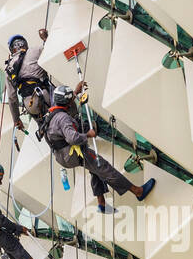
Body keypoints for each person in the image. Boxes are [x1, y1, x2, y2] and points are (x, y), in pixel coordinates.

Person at [40, 85, 156, 214]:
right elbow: (73, 138)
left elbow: (66, 104)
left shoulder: (52, 112)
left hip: (61, 155)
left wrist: (76, 91)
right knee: (104, 168)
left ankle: (102, 203)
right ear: (67, 102)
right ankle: (138, 191)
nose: (73, 100)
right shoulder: (63, 118)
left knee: (95, 169)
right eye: (72, 99)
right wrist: (88, 134)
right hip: (72, 153)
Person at [5, 31, 53, 130]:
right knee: (66, 104)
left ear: (12, 50)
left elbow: (12, 98)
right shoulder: (36, 50)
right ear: (25, 44)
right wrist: (45, 38)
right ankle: (82, 127)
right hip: (47, 95)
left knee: (44, 128)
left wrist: (16, 119)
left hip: (31, 104)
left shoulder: (9, 69)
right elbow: (52, 50)